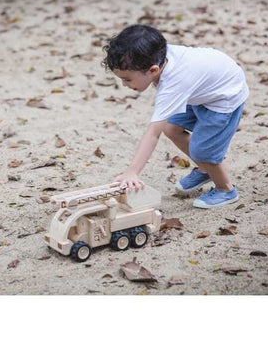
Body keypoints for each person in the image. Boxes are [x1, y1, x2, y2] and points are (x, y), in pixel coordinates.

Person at [101, 24, 249, 209]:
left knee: (203, 151)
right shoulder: (157, 55)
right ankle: (205, 170)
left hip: (225, 97)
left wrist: (132, 172)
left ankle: (226, 189)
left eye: (127, 79)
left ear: (153, 70)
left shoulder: (173, 83)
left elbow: (152, 133)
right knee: (171, 128)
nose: (124, 84)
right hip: (203, 89)